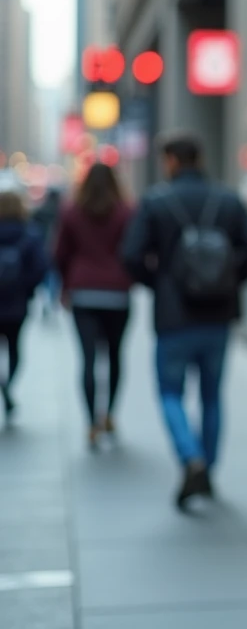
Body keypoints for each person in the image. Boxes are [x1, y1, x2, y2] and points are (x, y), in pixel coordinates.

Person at [121, 133, 247, 509]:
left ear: (171, 161)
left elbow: (131, 255)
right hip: (217, 315)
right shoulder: (228, 200)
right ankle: (208, 470)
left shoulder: (156, 202)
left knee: (170, 392)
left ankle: (191, 458)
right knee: (211, 396)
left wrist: (161, 284)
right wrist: (231, 279)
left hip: (174, 317)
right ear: (200, 158)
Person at [54, 164, 134, 448]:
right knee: (114, 356)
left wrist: (65, 287)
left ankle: (91, 423)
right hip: (117, 293)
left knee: (88, 360)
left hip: (83, 291)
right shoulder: (125, 212)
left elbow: (60, 253)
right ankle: (110, 414)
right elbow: (134, 250)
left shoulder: (72, 212)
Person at [0, 190, 49, 421]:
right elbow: (40, 267)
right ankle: (8, 386)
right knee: (14, 348)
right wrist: (26, 289)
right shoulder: (29, 234)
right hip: (17, 303)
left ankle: (4, 388)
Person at [30, 188, 62, 318]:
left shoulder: (40, 211)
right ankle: (51, 299)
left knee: (46, 277)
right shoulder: (62, 212)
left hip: (42, 248)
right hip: (54, 248)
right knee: (54, 277)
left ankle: (46, 299)